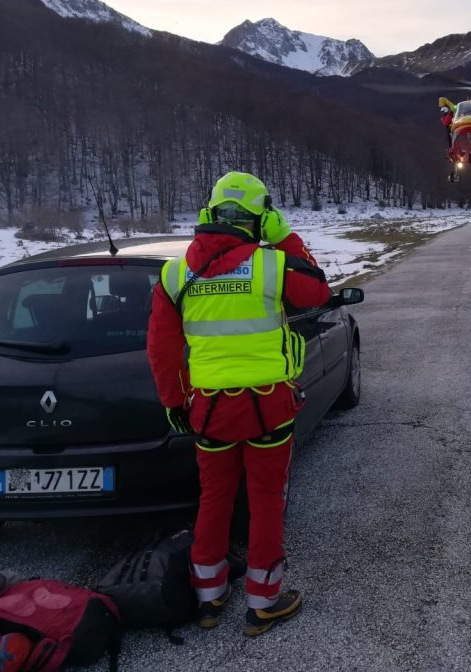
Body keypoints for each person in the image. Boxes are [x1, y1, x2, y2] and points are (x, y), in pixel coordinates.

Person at [147, 171, 330, 637]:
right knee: (266, 501)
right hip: (268, 407)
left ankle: (209, 597)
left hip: (208, 411)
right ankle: (264, 602)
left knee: (214, 498)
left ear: (209, 214)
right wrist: (285, 235)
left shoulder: (175, 273)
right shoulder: (271, 265)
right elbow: (318, 290)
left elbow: (161, 349)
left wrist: (174, 401)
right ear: (258, 218)